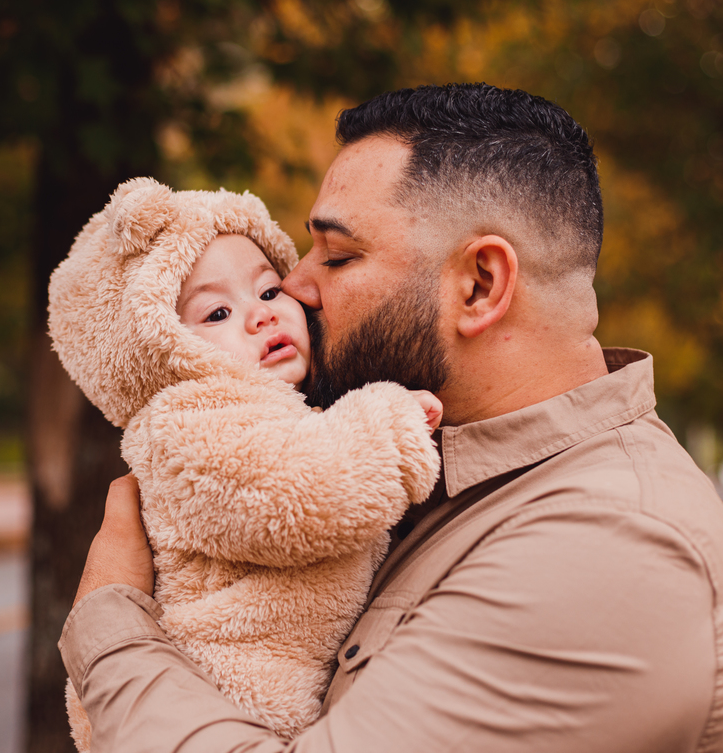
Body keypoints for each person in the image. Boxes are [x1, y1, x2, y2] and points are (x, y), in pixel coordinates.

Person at [59, 84, 723, 752]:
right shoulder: (460, 476)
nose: (296, 287)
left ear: (480, 286)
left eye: (338, 254)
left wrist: (108, 622)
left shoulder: (610, 545)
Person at [46, 178, 442, 746]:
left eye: (269, 290)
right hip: (220, 689)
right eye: (217, 313)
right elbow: (295, 496)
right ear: (160, 353)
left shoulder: (288, 410)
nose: (260, 317)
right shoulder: (187, 421)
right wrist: (390, 424)